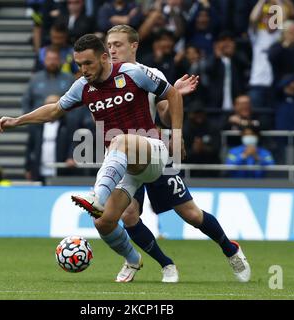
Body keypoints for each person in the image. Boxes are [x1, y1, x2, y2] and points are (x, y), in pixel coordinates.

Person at [0, 34, 184, 283]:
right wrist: (17, 120)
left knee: (121, 141)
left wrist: (178, 136)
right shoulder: (83, 87)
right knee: (103, 224)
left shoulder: (131, 72)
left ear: (104, 57)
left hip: (151, 151)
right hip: (123, 164)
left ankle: (97, 196)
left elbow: (173, 94)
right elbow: (53, 110)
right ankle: (133, 260)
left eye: (88, 64)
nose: (83, 70)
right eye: (79, 65)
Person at [105, 25, 250, 283]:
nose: (113, 49)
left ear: (134, 46)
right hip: (124, 159)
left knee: (191, 215)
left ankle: (231, 249)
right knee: (128, 215)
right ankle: (165, 265)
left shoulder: (149, 75)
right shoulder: (103, 79)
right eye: (110, 45)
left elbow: (162, 112)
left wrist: (174, 98)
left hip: (153, 154)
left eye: (118, 44)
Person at [22, 47, 75, 114]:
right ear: (44, 61)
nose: (52, 62)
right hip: (39, 120)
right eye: (49, 59)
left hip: (65, 120)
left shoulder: (70, 78)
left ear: (60, 61)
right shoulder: (35, 78)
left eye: (55, 59)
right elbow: (26, 101)